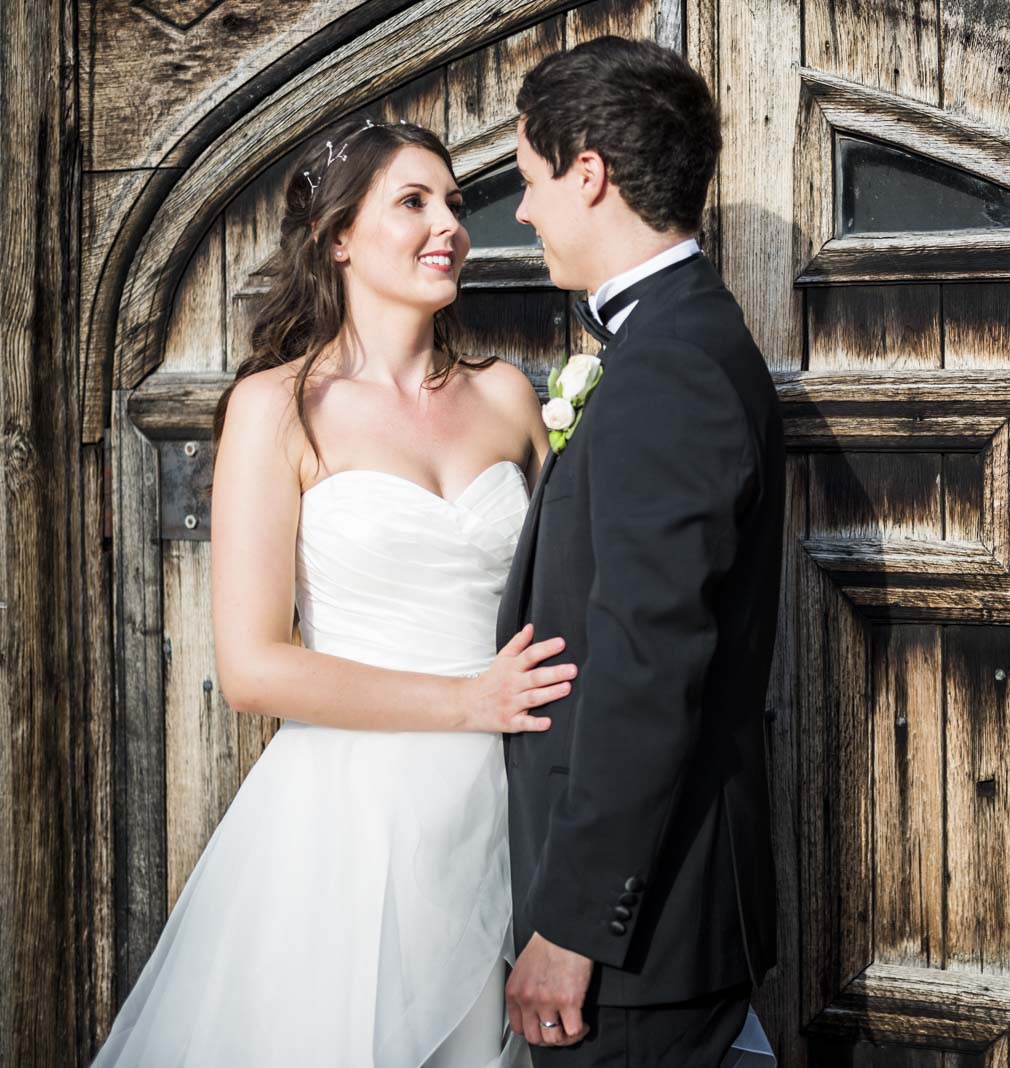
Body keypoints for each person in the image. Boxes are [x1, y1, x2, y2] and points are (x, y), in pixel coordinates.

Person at [93, 117, 561, 1067]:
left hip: (513, 808)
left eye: (457, 204)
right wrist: (468, 701)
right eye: (414, 202)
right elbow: (253, 668)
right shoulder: (277, 407)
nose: (451, 227)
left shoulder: (510, 396)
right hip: (352, 818)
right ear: (339, 237)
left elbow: (566, 595)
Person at [497, 36, 783, 1066]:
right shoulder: (678, 339)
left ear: (589, 173)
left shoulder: (670, 368)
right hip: (654, 937)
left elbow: (649, 666)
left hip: (634, 948)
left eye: (529, 181)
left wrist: (573, 926)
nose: (521, 213)